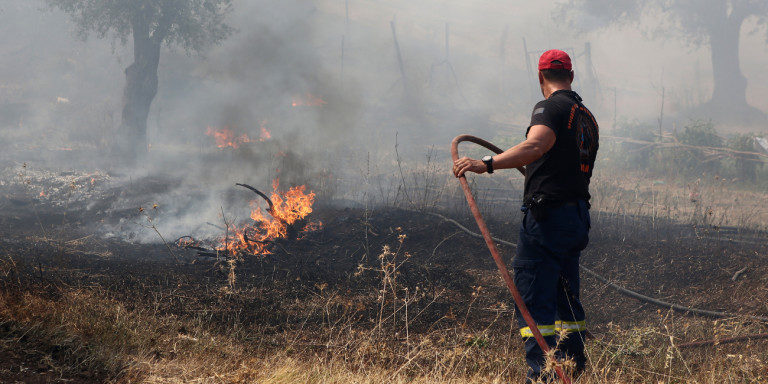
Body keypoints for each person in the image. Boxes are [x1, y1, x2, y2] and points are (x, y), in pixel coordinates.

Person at [453, 49, 599, 382]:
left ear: (539, 77)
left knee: (534, 298)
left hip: (548, 219)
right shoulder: (586, 116)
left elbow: (536, 145)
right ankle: (570, 370)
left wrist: (486, 164)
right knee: (565, 298)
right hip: (576, 218)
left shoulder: (549, 107)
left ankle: (543, 376)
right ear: (572, 76)